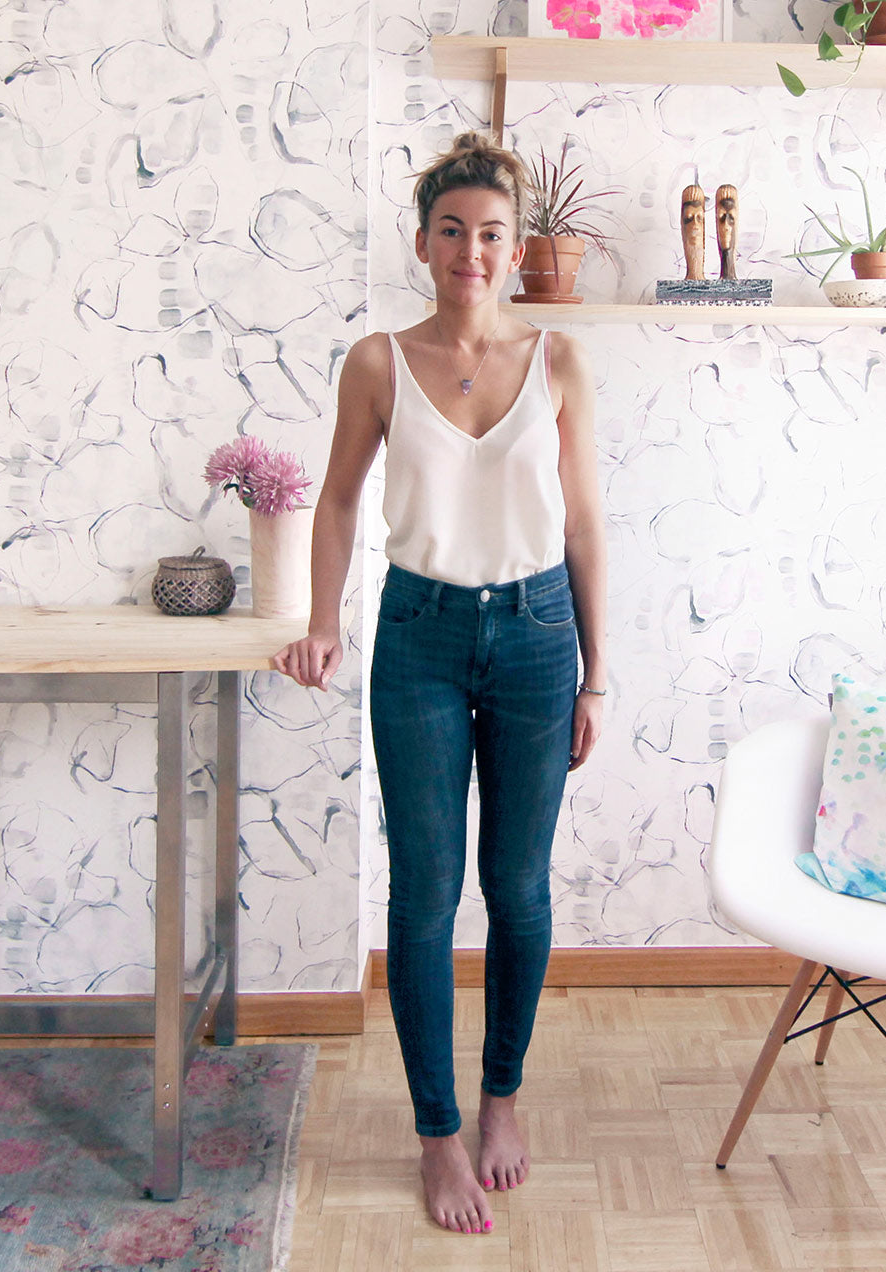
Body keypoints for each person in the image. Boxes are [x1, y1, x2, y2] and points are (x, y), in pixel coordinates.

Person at [273, 131, 607, 1236]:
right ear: (424, 244)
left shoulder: (557, 364)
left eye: (492, 233)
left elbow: (586, 524)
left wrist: (596, 673)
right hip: (415, 633)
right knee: (423, 895)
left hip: (533, 632)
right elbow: (332, 503)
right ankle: (436, 1131)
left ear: (518, 251)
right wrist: (322, 623)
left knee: (515, 888)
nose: (472, 250)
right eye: (452, 230)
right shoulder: (376, 361)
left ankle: (501, 1100)